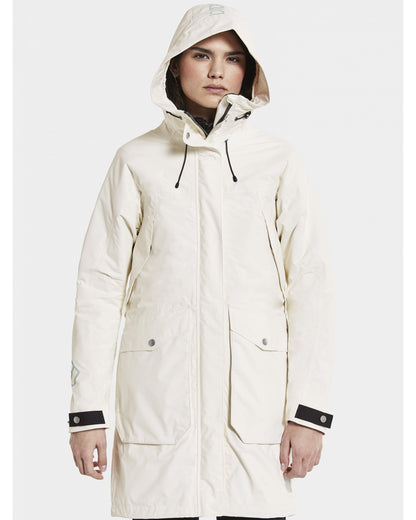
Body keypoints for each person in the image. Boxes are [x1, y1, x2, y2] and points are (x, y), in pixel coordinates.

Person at [68, 4, 336, 520]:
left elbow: (311, 288)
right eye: (201, 55)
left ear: (248, 70)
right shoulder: (136, 160)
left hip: (254, 414)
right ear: (175, 64)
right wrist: (87, 413)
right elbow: (98, 287)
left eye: (233, 58)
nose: (217, 71)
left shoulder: (278, 162)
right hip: (158, 407)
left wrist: (308, 414)